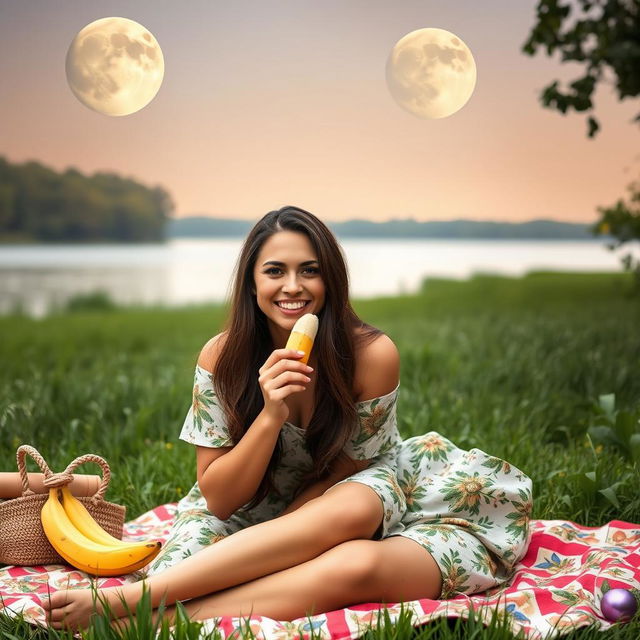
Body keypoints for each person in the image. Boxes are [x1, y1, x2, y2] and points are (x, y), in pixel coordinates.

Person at [44, 206, 532, 631]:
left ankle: (137, 606)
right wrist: (270, 415)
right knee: (191, 562)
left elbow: (352, 467)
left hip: (354, 492)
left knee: (355, 512)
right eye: (275, 270)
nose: (293, 287)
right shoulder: (221, 358)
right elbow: (217, 498)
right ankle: (162, 601)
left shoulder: (371, 355)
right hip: (246, 504)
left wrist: (297, 532)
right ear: (252, 282)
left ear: (331, 279)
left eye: (310, 271)